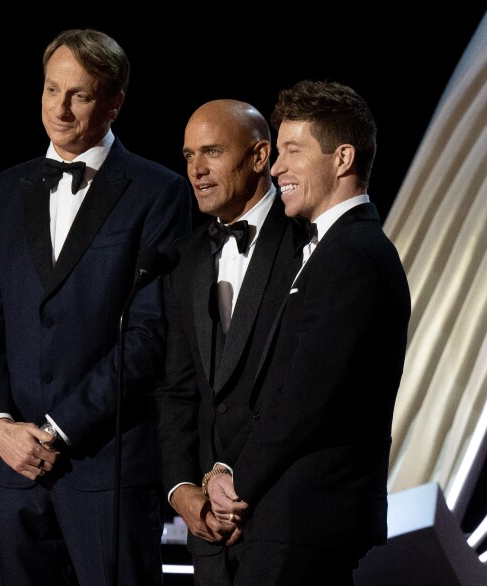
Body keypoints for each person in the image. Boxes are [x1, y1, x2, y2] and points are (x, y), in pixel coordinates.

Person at [0, 28, 193, 586]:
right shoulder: (5, 189)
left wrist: (57, 428)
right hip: (13, 469)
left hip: (106, 469)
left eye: (80, 95)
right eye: (51, 90)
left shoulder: (159, 192)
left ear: (115, 103)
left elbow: (149, 337)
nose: (60, 110)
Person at [206, 80, 412, 585]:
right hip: (294, 514)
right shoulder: (331, 248)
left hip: (307, 516)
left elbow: (305, 394)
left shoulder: (353, 255)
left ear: (342, 158)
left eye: (292, 152)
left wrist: (238, 482)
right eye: (277, 153)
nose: (276, 169)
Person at [155, 99, 302, 585]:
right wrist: (184, 491)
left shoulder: (310, 242)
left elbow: (300, 389)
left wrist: (240, 490)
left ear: (260, 156)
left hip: (282, 518)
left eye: (212, 152)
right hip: (208, 533)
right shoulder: (184, 258)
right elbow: (179, 388)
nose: (196, 170)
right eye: (188, 155)